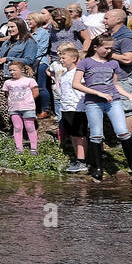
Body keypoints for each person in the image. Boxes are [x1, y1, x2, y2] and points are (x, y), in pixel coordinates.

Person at [73, 34, 132, 180]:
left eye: (111, 48)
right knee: (96, 134)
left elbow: (115, 85)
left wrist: (129, 96)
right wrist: (98, 93)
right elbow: (76, 84)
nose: (109, 51)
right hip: (93, 102)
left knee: (123, 132)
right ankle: (97, 167)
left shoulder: (113, 63)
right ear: (95, 47)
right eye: (106, 48)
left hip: (113, 100)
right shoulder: (85, 63)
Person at [103, 9, 132, 135]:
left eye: (106, 18)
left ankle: (127, 139)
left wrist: (109, 54)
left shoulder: (126, 37)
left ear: (119, 20)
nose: (103, 21)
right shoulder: (109, 35)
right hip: (110, 77)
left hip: (123, 78)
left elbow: (128, 58)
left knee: (126, 109)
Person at [54, 44, 89, 173]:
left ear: (74, 59)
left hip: (78, 108)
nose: (61, 60)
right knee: (73, 135)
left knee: (80, 136)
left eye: (64, 58)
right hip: (66, 107)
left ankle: (83, 161)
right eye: (61, 58)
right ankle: (77, 159)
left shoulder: (79, 72)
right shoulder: (63, 75)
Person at [3, 62, 40, 154]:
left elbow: (35, 93)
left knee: (30, 127)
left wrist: (27, 101)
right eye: (10, 70)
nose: (12, 72)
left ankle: (34, 148)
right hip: (14, 108)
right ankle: (19, 148)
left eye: (14, 70)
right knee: (17, 127)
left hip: (27, 107)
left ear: (22, 70)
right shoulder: (8, 82)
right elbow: (7, 94)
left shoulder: (29, 80)